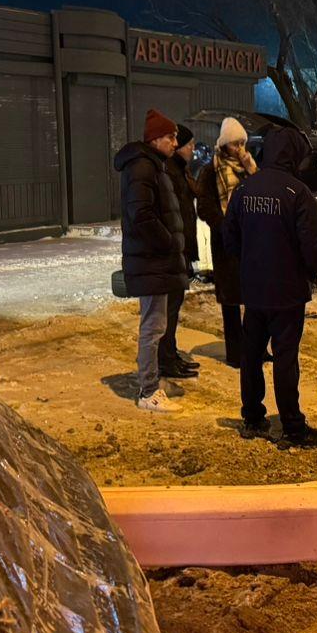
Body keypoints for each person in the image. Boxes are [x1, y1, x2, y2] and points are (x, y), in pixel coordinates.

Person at [224, 125, 317, 446]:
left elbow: (230, 240)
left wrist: (250, 263)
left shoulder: (243, 191)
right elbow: (312, 247)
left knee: (252, 355)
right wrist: (311, 273)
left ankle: (253, 417)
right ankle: (292, 426)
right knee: (285, 357)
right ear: (293, 154)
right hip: (287, 293)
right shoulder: (298, 193)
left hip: (253, 291)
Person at [113, 109, 191, 413]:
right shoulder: (143, 167)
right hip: (152, 260)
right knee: (153, 326)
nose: (175, 142)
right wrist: (168, 243)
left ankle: (152, 380)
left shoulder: (152, 165)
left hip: (155, 260)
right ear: (156, 139)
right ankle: (148, 391)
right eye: (171, 137)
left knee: (156, 324)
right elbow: (142, 214)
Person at [194, 117, 258, 368]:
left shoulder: (250, 168)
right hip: (227, 245)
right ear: (224, 145)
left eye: (242, 143)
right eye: (235, 144)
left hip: (252, 242)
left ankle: (255, 347)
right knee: (232, 301)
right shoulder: (212, 170)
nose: (240, 148)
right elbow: (205, 207)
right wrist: (224, 226)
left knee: (255, 299)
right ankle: (235, 353)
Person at [157, 124, 202, 380]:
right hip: (176, 250)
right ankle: (165, 360)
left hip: (182, 249)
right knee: (169, 309)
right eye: (190, 145)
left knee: (174, 307)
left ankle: (170, 354)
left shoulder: (180, 171)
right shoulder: (170, 173)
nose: (192, 150)